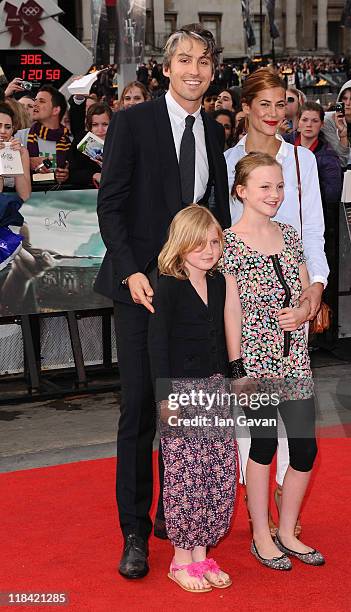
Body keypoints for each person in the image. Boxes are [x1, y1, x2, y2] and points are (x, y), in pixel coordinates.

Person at [95, 23, 231, 580]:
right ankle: (135, 530)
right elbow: (111, 206)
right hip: (140, 291)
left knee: (188, 411)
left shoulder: (216, 133)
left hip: (190, 295)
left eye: (203, 61)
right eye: (185, 60)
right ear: (167, 67)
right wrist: (130, 271)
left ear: (212, 70)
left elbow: (212, 213)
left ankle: (177, 520)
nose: (194, 70)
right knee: (140, 411)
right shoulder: (132, 123)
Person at [224, 67, 329, 534]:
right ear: (245, 107)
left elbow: (312, 235)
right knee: (256, 427)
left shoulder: (301, 161)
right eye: (262, 104)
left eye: (280, 103)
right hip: (245, 313)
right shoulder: (224, 161)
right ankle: (258, 514)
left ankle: (285, 501)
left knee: (298, 427)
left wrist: (316, 291)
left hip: (295, 305)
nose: (273, 114)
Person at [148, 205, 235, 593]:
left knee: (216, 474)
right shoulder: (166, 285)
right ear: (181, 245)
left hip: (216, 389)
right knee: (185, 477)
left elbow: (223, 334)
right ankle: (181, 558)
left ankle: (202, 554)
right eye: (199, 243)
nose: (208, 250)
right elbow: (158, 346)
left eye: (215, 242)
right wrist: (166, 399)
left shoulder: (218, 283)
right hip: (182, 393)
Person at [284, 101, 342, 212]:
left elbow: (332, 195)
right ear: (298, 121)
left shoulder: (329, 156)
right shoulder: (283, 143)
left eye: (315, 121)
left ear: (322, 124)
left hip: (312, 212)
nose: (309, 125)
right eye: (305, 120)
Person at [15, 85, 70, 185]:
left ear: (56, 110)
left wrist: (68, 176)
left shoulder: (70, 141)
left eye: (41, 101)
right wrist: (27, 162)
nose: (35, 104)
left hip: (61, 197)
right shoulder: (20, 137)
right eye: (35, 100)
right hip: (28, 198)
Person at [68, 103, 112, 188]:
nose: (100, 130)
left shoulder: (120, 143)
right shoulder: (81, 142)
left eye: (105, 124)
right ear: (89, 126)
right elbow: (71, 173)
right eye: (95, 125)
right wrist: (94, 175)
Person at [0, 102, 31, 201]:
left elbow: (25, 195)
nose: (3, 131)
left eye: (8, 127)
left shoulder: (21, 151)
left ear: (13, 129)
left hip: (9, 208)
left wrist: (16, 159)